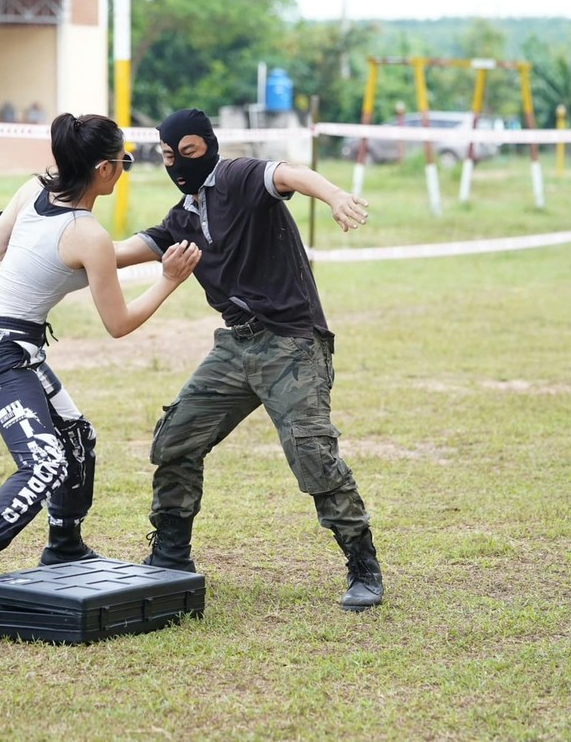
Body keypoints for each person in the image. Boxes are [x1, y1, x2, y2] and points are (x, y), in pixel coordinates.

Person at [0, 112, 202, 612]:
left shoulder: (35, 190)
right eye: (125, 161)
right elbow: (118, 323)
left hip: (9, 342)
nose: (125, 168)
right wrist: (169, 279)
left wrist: (45, 245)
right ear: (103, 169)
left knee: (78, 436)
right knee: (44, 462)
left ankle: (64, 545)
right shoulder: (86, 232)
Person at [112, 108, 384, 611]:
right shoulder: (183, 219)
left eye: (189, 153)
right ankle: (171, 554)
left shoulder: (237, 177)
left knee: (311, 453)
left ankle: (362, 564)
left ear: (208, 146)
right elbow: (117, 252)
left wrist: (335, 196)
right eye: (170, 157)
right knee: (176, 439)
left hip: (291, 343)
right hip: (235, 347)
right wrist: (56, 238)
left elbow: (289, 175)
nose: (179, 165)